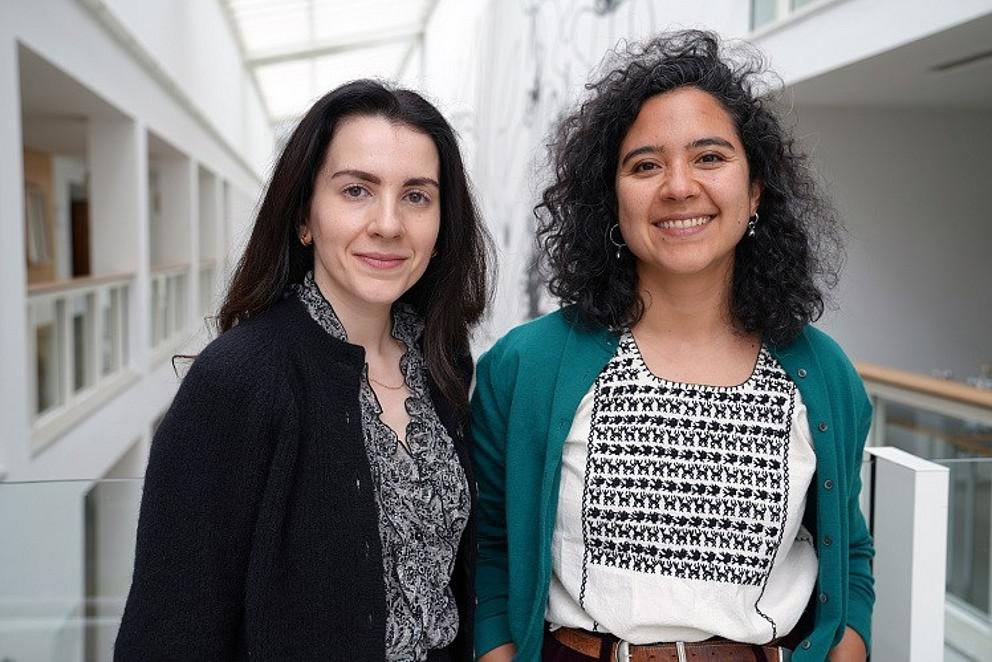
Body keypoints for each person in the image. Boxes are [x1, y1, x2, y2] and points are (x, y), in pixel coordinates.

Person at [472, 31, 873, 662]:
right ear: (612, 196)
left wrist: (847, 644)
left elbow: (848, 551)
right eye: (645, 164)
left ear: (756, 189)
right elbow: (492, 551)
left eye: (710, 157)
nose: (679, 186)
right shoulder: (526, 367)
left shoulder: (824, 374)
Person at [115, 79, 491, 661]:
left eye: (417, 196)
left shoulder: (441, 360)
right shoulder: (240, 378)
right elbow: (169, 632)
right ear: (303, 217)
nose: (389, 224)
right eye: (357, 191)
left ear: (443, 224)